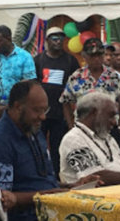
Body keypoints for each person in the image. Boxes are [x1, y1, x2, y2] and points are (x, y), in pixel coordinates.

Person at [0, 80, 100, 221]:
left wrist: (72, 186)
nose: (43, 117)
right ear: (17, 107)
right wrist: (48, 195)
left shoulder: (33, 130)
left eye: (45, 110)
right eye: (37, 110)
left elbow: (40, 181)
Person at [60, 92, 120, 185]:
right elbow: (96, 177)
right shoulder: (74, 139)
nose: (114, 122)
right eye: (110, 116)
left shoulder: (106, 137)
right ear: (94, 113)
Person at [34, 27, 80, 179]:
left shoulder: (70, 61)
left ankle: (57, 177)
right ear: (47, 41)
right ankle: (40, 174)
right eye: (54, 38)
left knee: (58, 149)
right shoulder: (39, 60)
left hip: (61, 114)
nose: (58, 41)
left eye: (61, 38)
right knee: (39, 146)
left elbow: (76, 85)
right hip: (41, 114)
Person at [59, 38, 120, 139]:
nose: (96, 59)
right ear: (84, 56)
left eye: (99, 55)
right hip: (83, 132)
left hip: (109, 130)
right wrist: (70, 125)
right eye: (92, 56)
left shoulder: (114, 77)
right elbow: (65, 101)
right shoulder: (76, 77)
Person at [0, 25, 36, 128]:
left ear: (9, 39)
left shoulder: (24, 57)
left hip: (18, 111)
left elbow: (28, 84)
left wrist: (10, 107)